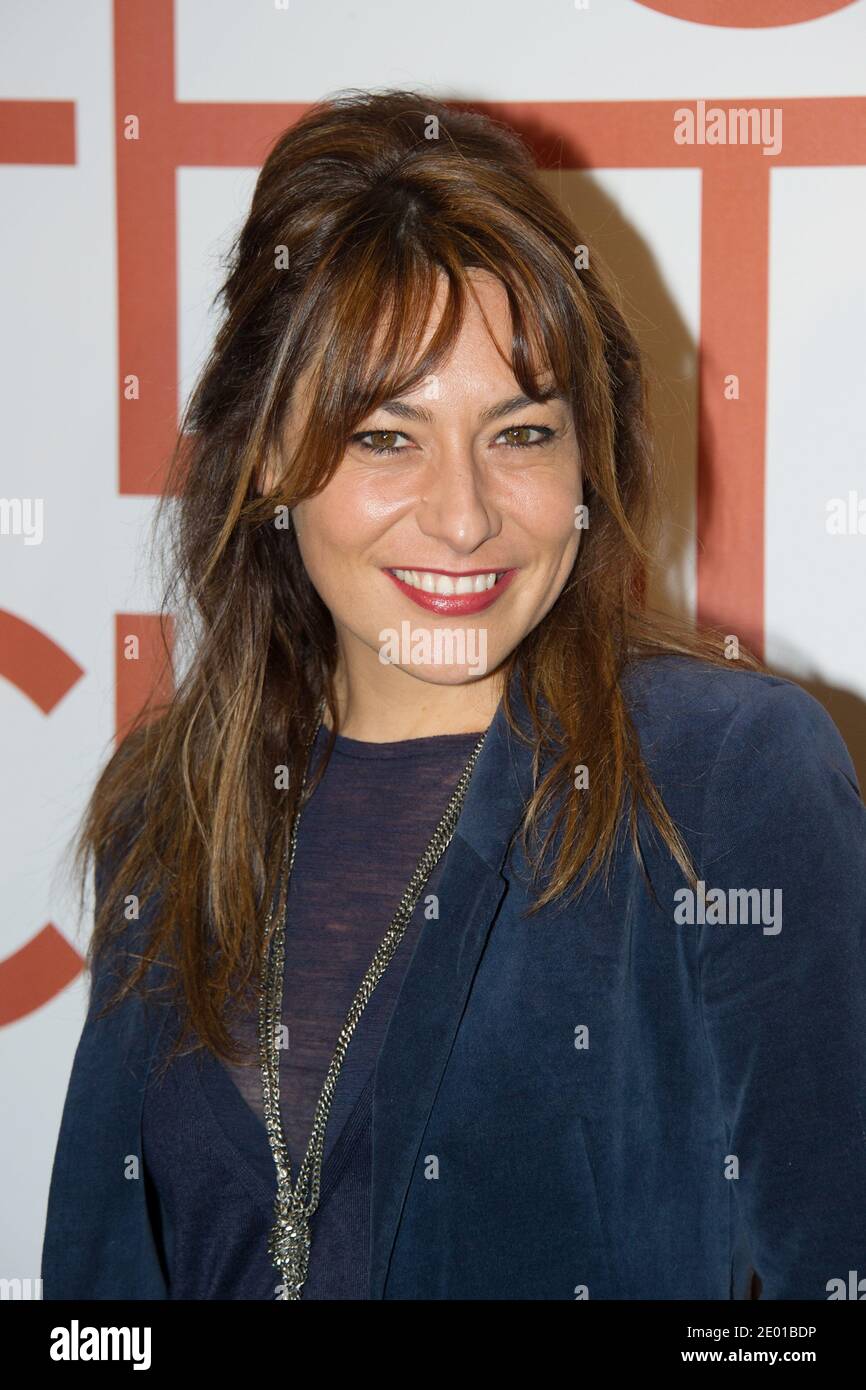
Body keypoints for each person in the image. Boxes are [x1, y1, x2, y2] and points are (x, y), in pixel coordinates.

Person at [42, 88, 866, 1301]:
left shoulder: (725, 774)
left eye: (521, 433)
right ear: (267, 450)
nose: (465, 514)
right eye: (386, 436)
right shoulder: (164, 810)